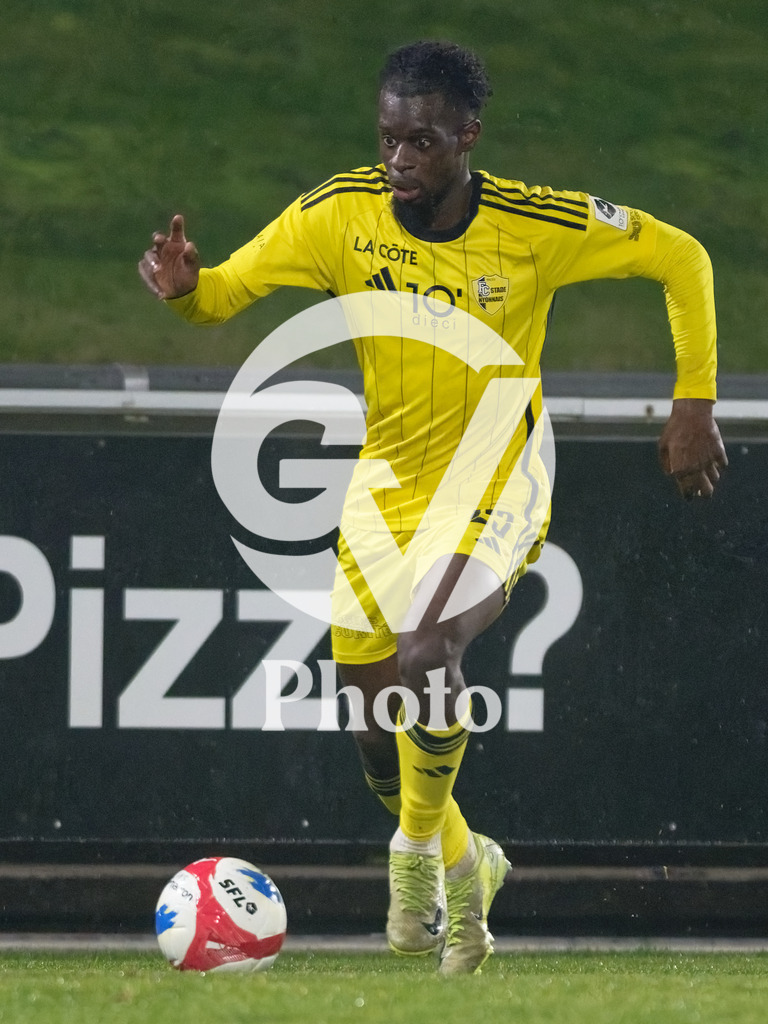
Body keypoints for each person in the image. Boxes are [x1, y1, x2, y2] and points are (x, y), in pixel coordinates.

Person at [139, 40, 727, 974]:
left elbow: (681, 255)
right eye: (388, 140)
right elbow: (226, 293)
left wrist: (693, 398)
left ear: (466, 137)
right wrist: (186, 291)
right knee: (377, 733)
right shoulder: (339, 215)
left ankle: (415, 861)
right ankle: (466, 855)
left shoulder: (537, 224)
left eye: (420, 141)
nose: (400, 160)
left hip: (499, 470)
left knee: (427, 650)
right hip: (387, 483)